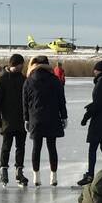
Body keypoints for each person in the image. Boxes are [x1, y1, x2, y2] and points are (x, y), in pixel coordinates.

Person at [24, 56, 67, 186]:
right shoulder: (55, 80)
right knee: (52, 147)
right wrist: (64, 116)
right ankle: (53, 177)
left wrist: (26, 119)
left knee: (36, 147)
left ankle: (36, 177)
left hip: (35, 118)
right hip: (52, 117)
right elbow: (61, 100)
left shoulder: (29, 80)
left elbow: (25, 102)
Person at [0, 54, 29, 187]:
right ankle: (3, 170)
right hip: (7, 119)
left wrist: (28, 117)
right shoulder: (2, 79)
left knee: (20, 147)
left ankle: (19, 171)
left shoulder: (23, 79)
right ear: (16, 64)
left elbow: (28, 99)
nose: (22, 67)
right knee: (6, 146)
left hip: (21, 119)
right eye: (21, 64)